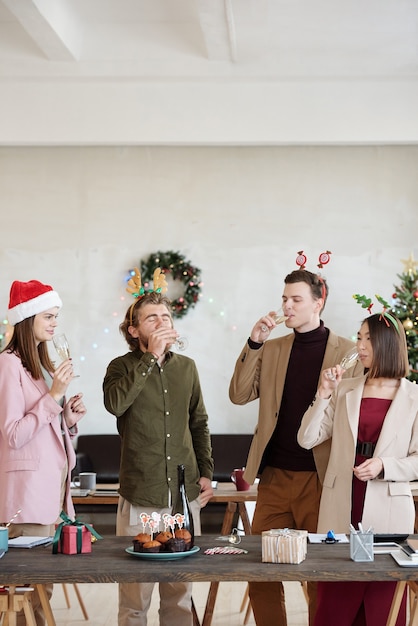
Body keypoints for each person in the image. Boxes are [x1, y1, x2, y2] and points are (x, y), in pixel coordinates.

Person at [229, 266, 363, 626]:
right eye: (284, 299)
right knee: (261, 571)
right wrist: (254, 343)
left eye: (296, 299)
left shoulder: (349, 352)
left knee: (318, 573)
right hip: (273, 478)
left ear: (319, 302)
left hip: (321, 481)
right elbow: (239, 394)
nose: (287, 306)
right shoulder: (271, 348)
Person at [103, 273, 214, 626]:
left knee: (180, 597)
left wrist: (207, 473)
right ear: (134, 330)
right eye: (152, 318)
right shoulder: (121, 367)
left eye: (166, 317)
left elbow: (198, 424)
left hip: (183, 495)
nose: (162, 322)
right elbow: (115, 405)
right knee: (136, 598)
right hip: (143, 494)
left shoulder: (188, 368)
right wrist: (150, 358)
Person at [297, 309, 418, 626]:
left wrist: (384, 465)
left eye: (369, 339)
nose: (360, 345)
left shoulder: (415, 397)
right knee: (333, 607)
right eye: (359, 337)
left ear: (388, 345)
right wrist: (323, 393)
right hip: (341, 505)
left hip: (389, 510)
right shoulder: (344, 388)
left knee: (384, 608)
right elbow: (307, 438)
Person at [0, 279, 86, 625]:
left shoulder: (34, 365)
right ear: (28, 318)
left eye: (56, 318)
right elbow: (13, 435)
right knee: (28, 596)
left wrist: (67, 417)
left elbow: (41, 427)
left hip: (48, 497)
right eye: (48, 317)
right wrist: (54, 397)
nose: (54, 324)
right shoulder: (8, 365)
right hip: (25, 502)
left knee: (41, 593)